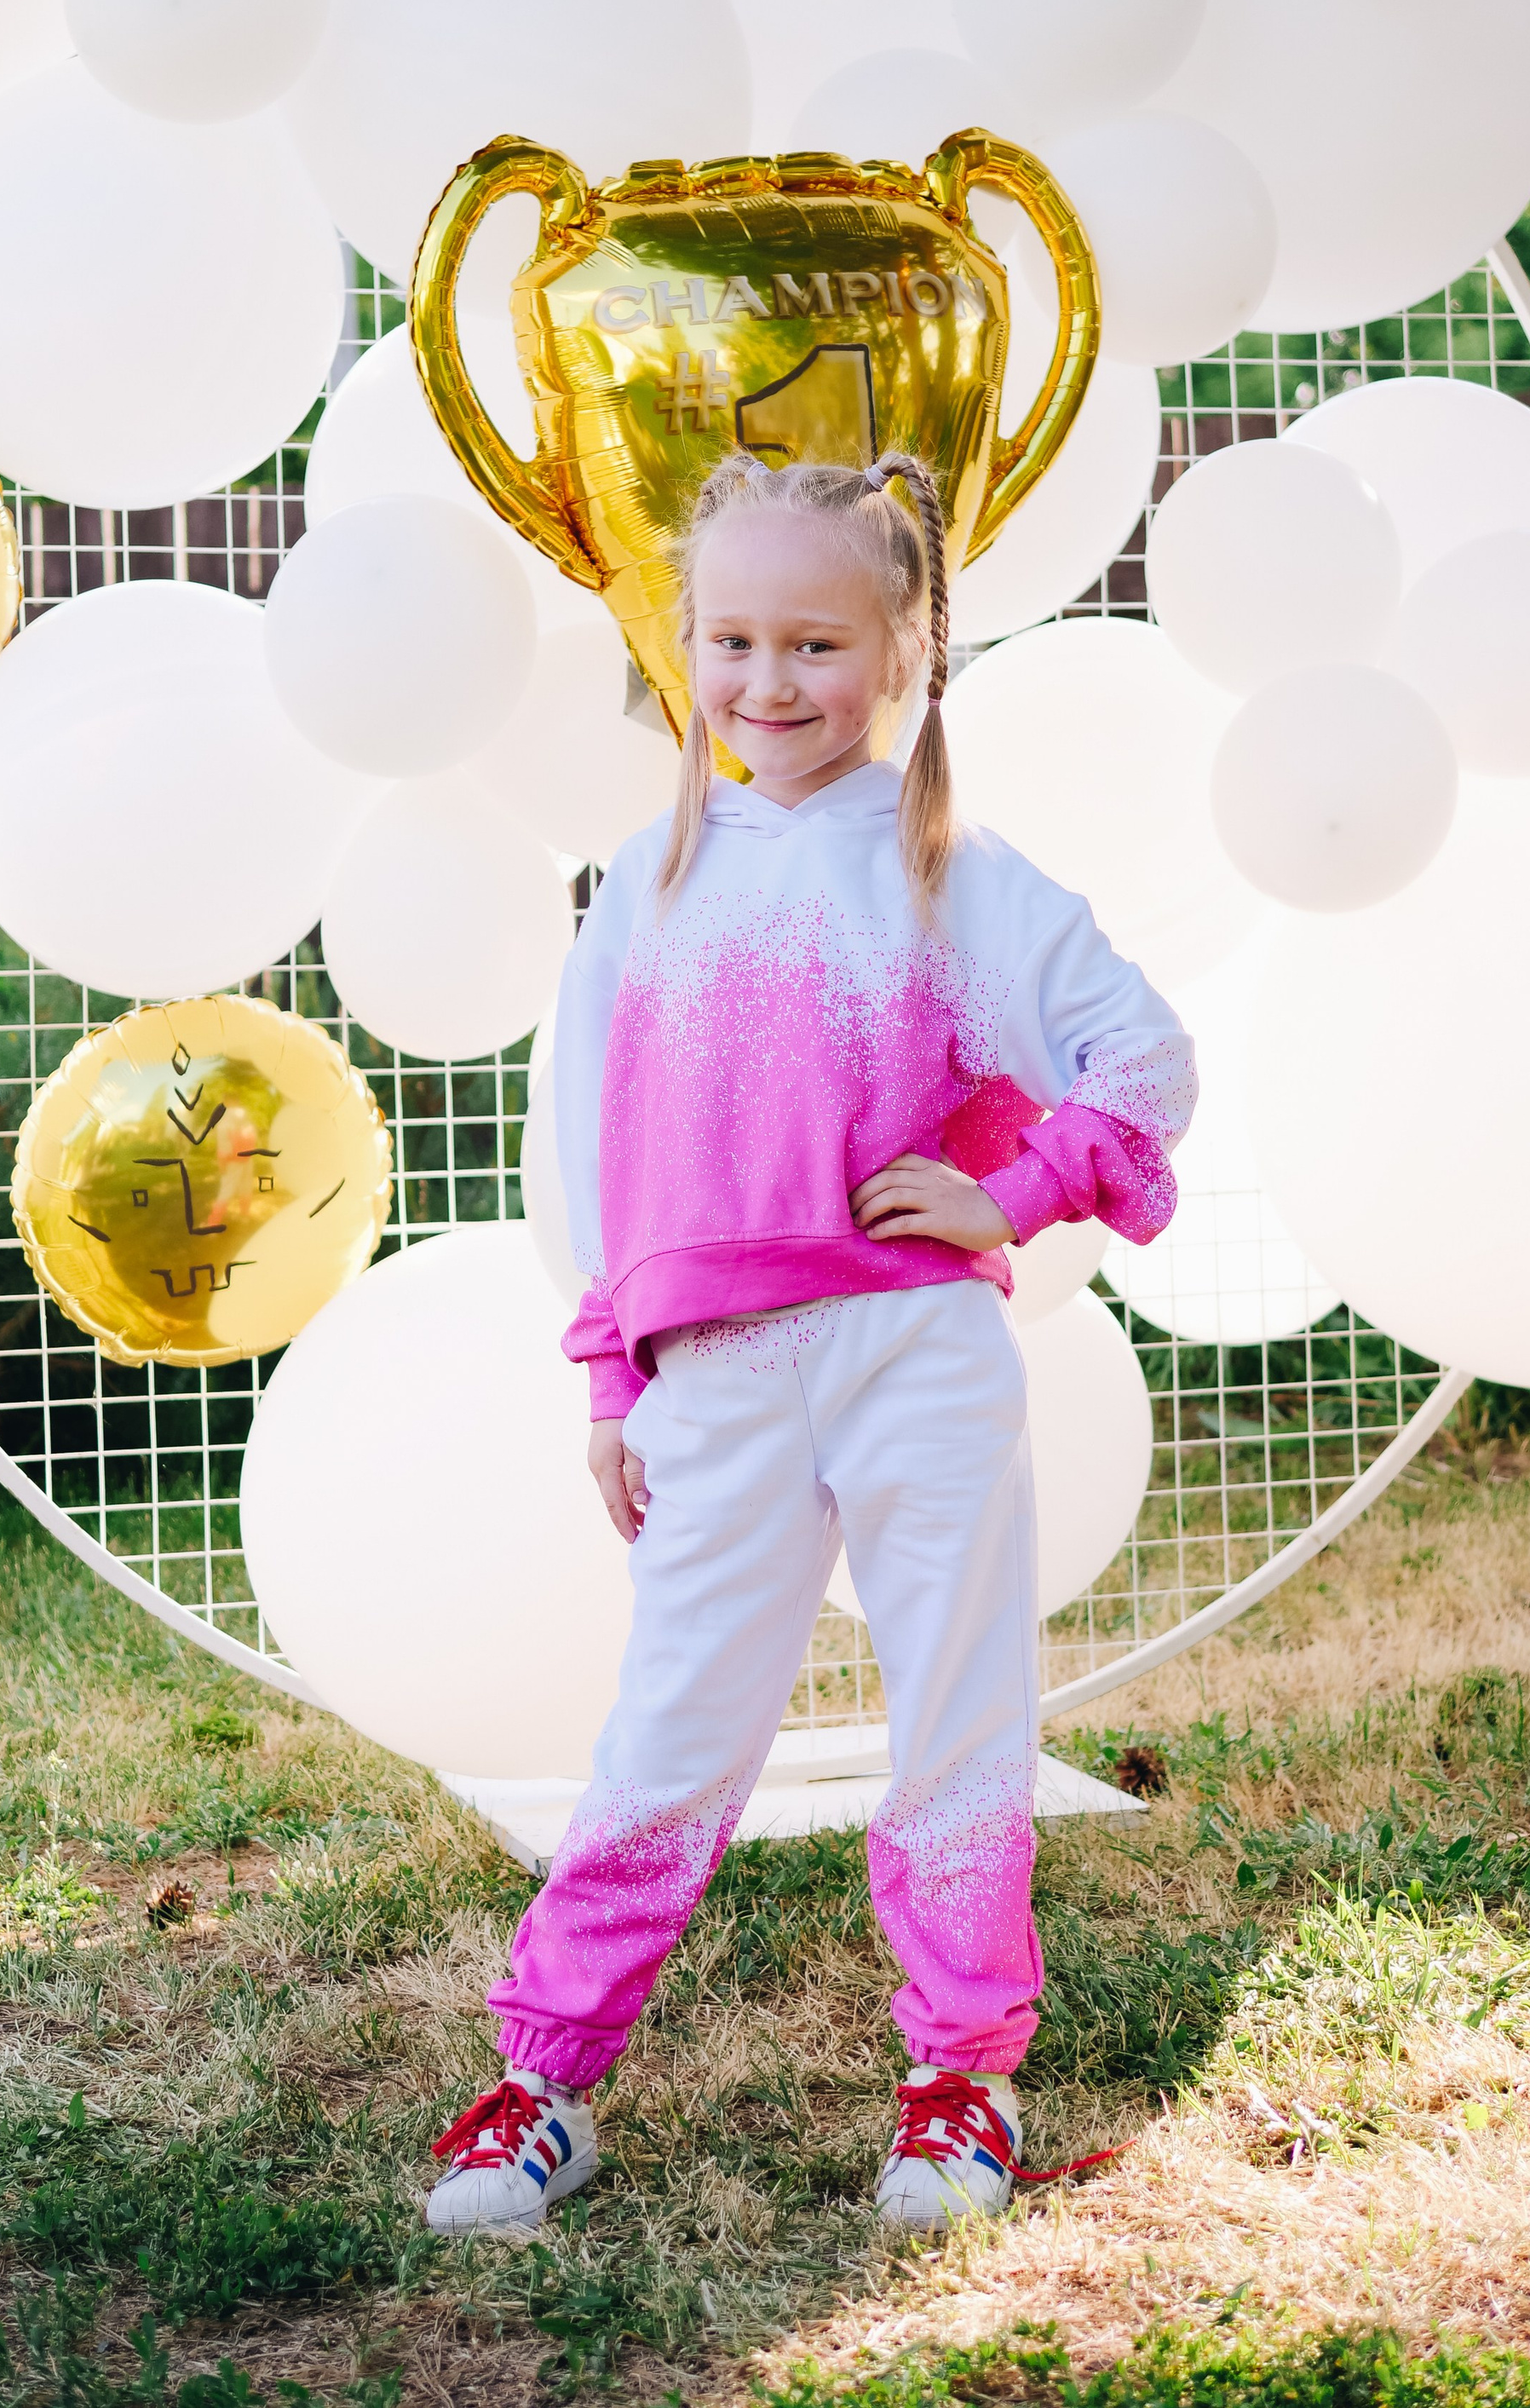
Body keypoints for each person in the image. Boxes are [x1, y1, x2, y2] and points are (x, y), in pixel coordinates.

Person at [426, 450, 1195, 2237]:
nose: (770, 685)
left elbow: (1139, 1059)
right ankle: (542, 2084)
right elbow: (587, 1151)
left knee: (954, 1709)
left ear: (911, 646)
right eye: (732, 642)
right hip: (719, 1377)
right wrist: (616, 1369)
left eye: (816, 645)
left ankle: (959, 2083)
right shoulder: (645, 879)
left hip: (913, 1357)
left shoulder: (963, 877)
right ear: (682, 644)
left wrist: (1019, 1190)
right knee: (671, 1728)